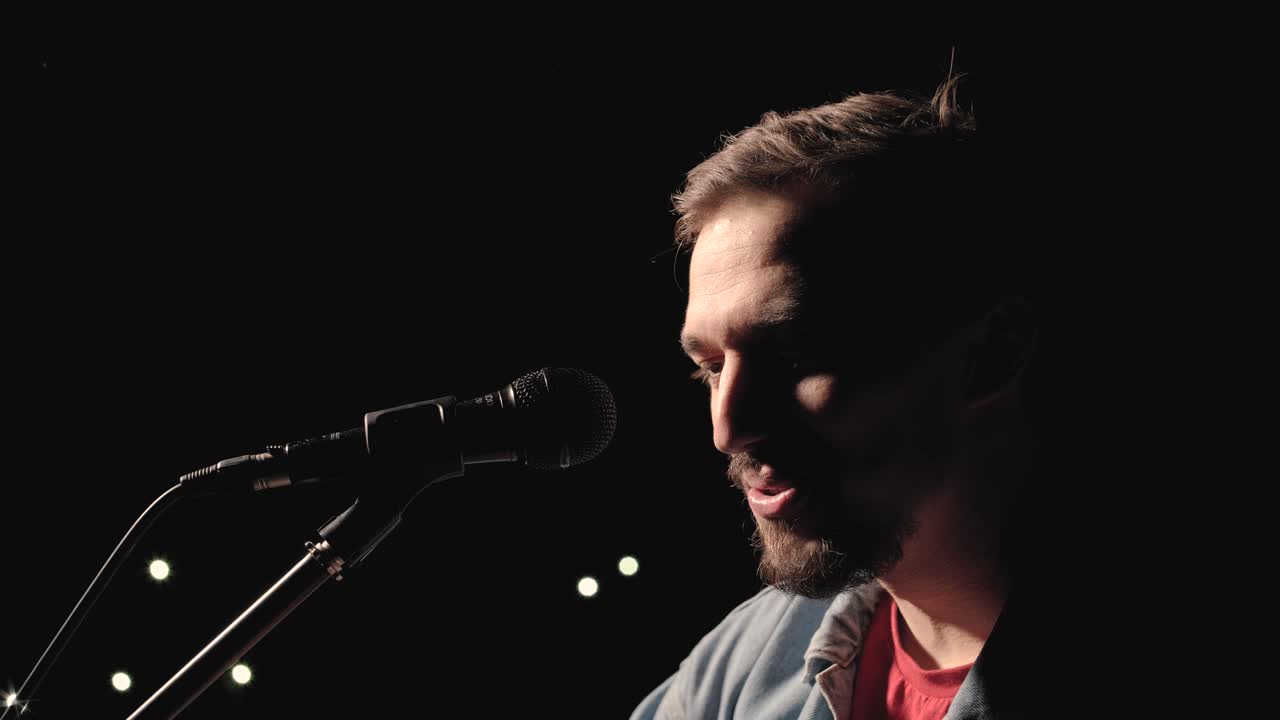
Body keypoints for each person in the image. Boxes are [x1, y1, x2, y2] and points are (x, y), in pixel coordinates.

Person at [630, 73, 1073, 719]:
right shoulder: (751, 660)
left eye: (795, 354)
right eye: (712, 367)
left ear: (991, 352)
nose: (729, 428)